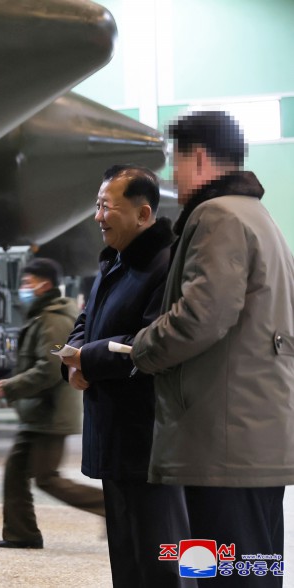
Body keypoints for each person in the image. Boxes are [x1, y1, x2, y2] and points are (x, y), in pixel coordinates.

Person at [131, 111, 294, 586]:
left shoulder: (216, 215)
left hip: (223, 440)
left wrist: (142, 348)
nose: (171, 175)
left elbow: (203, 315)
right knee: (255, 567)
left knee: (221, 573)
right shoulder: (258, 215)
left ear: (199, 158)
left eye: (175, 161)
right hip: (252, 435)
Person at [59, 165, 192, 587]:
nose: (98, 216)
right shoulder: (114, 260)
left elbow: (152, 342)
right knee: (128, 556)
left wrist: (90, 359)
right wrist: (74, 359)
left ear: (143, 213)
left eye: (106, 207)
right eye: (97, 206)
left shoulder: (165, 265)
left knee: (162, 558)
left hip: (149, 439)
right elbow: (86, 320)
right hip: (115, 434)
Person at [0, 258, 104, 550]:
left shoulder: (53, 318)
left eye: (27, 283)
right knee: (16, 472)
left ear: (44, 285)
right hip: (38, 412)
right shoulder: (43, 314)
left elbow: (51, 367)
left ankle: (111, 506)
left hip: (51, 413)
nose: (23, 288)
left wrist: (13, 385)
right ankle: (20, 533)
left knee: (47, 478)